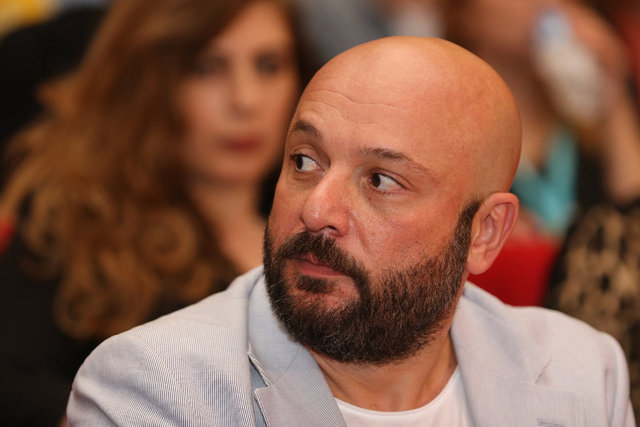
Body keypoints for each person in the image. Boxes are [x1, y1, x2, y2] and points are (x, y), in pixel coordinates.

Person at [67, 37, 634, 426]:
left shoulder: (583, 375)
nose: (317, 210)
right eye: (305, 161)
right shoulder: (155, 388)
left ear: (484, 233)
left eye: (381, 180)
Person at [0, 0, 310, 424]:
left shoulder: (322, 226)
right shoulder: (81, 222)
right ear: (148, 83)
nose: (246, 100)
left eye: (269, 65)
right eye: (207, 68)